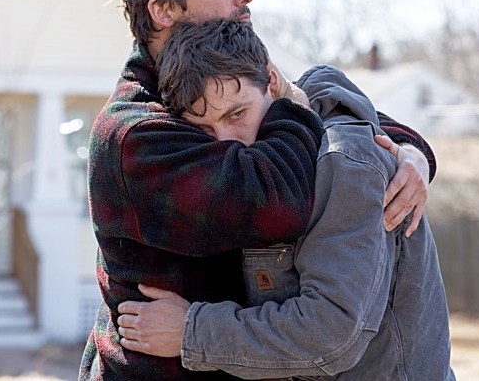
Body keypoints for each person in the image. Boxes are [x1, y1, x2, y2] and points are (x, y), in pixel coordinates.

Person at [79, 0, 437, 380]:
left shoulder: (207, 88)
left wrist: (406, 147)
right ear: (163, 10)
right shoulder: (137, 134)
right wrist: (309, 112)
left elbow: (300, 112)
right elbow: (279, 197)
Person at [117, 19, 454, 380]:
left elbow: (332, 333)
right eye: (205, 129)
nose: (228, 142)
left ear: (272, 81)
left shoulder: (345, 163)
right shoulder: (266, 168)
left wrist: (191, 331)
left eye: (237, 114)